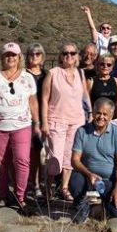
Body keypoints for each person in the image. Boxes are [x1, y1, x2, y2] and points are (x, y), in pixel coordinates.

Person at [0, 42, 39, 215]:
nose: (10, 58)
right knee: (0, 162)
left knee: (22, 160)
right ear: (2, 57)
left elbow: (33, 102)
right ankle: (3, 195)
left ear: (19, 57)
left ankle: (21, 197)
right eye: (7, 55)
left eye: (13, 55)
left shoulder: (27, 77)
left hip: (22, 125)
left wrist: (38, 123)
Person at [40, 42, 90, 203]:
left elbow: (85, 96)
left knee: (70, 157)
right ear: (60, 56)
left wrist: (89, 113)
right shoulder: (53, 73)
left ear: (77, 56)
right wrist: (44, 122)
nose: (69, 56)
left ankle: (64, 188)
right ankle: (47, 189)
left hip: (76, 121)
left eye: (73, 53)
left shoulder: (81, 73)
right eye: (65, 53)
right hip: (56, 120)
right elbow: (44, 99)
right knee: (54, 158)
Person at [70, 98, 117, 224]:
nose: (101, 117)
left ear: (111, 116)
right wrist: (89, 174)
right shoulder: (82, 131)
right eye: (98, 113)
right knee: (75, 182)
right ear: (93, 112)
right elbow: (75, 160)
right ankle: (85, 205)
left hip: (109, 180)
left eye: (105, 114)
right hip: (88, 178)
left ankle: (98, 205)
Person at [25, 43, 48, 201]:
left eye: (38, 54)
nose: (35, 56)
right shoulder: (22, 74)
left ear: (42, 57)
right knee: (26, 154)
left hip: (43, 117)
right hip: (25, 118)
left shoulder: (47, 74)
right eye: (32, 54)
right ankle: (28, 184)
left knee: (38, 153)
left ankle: (37, 184)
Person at [88, 54, 117, 133]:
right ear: (98, 65)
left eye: (109, 65)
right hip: (97, 120)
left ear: (112, 67)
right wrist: (89, 118)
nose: (105, 66)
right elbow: (87, 102)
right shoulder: (91, 81)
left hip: (113, 120)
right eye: (102, 64)